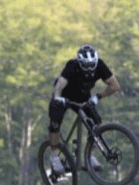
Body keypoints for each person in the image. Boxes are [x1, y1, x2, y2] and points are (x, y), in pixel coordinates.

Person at [47, 44, 121, 173]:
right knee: (55, 123)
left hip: (82, 96)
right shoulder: (72, 65)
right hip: (65, 95)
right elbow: (59, 85)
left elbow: (115, 86)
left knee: (95, 122)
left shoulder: (100, 65)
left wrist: (98, 97)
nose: (89, 69)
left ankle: (88, 154)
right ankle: (54, 156)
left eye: (91, 65)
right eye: (86, 66)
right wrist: (58, 98)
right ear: (80, 62)